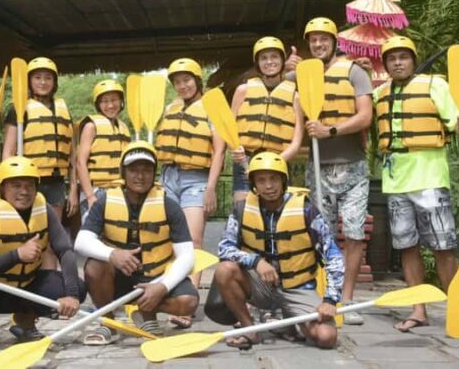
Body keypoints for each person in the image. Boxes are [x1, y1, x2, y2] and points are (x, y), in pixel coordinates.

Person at [373, 36, 459, 332]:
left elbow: (457, 121)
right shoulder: (380, 93)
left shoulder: (435, 85)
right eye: (392, 59)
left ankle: (458, 306)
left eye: (404, 57)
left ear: (413, 61)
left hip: (430, 178)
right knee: (407, 247)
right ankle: (419, 310)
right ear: (386, 65)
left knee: (443, 247)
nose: (398, 62)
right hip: (395, 182)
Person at [205, 152, 343, 349]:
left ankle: (290, 321)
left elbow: (333, 256)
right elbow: (224, 249)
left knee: (326, 337)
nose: (268, 186)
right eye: (261, 180)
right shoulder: (241, 209)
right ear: (253, 184)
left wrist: (330, 299)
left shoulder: (307, 210)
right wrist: (256, 262)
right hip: (261, 286)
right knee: (224, 270)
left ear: (283, 180)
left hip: (298, 289)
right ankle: (249, 329)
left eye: (274, 179)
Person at [0, 156, 86, 354]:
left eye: (30, 185)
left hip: (26, 285)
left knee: (77, 287)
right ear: (2, 188)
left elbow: (65, 251)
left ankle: (25, 323)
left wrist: (71, 295)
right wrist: (16, 255)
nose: (24, 192)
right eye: (16, 186)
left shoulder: (44, 210)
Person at [285, 17, 373, 325]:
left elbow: (365, 116)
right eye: (313, 40)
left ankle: (346, 299)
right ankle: (324, 294)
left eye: (324, 39)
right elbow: (275, 86)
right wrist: (287, 69)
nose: (318, 44)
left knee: (352, 232)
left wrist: (330, 130)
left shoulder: (354, 71)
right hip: (317, 168)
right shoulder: (301, 74)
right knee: (320, 233)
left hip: (353, 167)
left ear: (334, 42)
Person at [74, 141, 198, 343]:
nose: (140, 176)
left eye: (146, 170)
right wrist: (112, 254)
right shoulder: (104, 201)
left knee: (188, 302)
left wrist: (163, 287)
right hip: (119, 279)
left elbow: (187, 257)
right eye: (134, 170)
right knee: (94, 267)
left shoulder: (169, 206)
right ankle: (108, 323)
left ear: (153, 173)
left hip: (155, 277)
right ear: (124, 172)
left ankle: (145, 313)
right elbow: (81, 241)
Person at [154, 58, 225, 328]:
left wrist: (210, 188)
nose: (182, 86)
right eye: (177, 81)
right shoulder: (171, 107)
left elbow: (219, 150)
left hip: (196, 178)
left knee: (193, 240)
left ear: (197, 80)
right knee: (170, 241)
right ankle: (175, 295)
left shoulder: (211, 106)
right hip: (169, 176)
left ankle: (189, 303)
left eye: (187, 80)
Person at [2, 57, 77, 268]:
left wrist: (72, 190)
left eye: (47, 78)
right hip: (27, 182)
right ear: (29, 81)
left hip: (54, 183)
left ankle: (49, 286)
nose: (42, 82)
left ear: (54, 82)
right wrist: (9, 185)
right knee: (23, 236)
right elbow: (8, 151)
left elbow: (71, 155)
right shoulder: (18, 108)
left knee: (51, 240)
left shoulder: (63, 109)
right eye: (37, 78)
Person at [230, 36, 305, 203]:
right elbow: (229, 128)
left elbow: (296, 140)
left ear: (282, 61)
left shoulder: (295, 97)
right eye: (263, 58)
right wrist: (235, 149)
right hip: (245, 161)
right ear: (257, 63)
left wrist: (275, 162)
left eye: (274, 57)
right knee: (243, 211)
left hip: (279, 161)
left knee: (277, 215)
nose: (269, 62)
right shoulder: (243, 90)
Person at [76, 79, 131, 221]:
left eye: (114, 100)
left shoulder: (124, 128)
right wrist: (90, 196)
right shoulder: (91, 126)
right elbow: (81, 163)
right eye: (105, 101)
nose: (110, 105)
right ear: (98, 104)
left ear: (121, 102)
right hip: (95, 190)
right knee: (93, 235)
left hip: (119, 191)